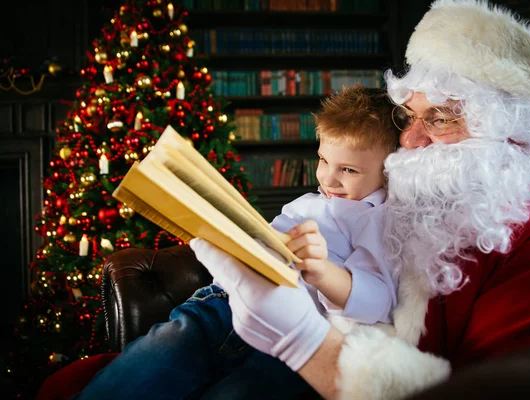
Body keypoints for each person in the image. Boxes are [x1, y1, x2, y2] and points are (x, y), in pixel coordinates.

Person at [190, 0, 530, 399]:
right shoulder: (403, 206)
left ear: (509, 134)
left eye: (440, 119)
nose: (408, 140)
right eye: (407, 115)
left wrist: (305, 343)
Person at [72, 84, 403, 399]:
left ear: (388, 173)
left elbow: (379, 300)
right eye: (323, 160)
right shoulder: (307, 204)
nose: (328, 178)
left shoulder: (378, 220)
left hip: (286, 343)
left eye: (348, 170)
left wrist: (321, 270)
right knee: (134, 376)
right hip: (221, 305)